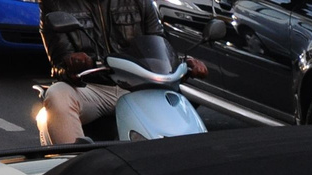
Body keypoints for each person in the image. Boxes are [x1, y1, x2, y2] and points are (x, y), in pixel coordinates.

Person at [37, 0, 207, 145]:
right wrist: (74, 65)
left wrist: (186, 62)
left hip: (138, 84)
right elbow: (59, 63)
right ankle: (76, 168)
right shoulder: (56, 3)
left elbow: (159, 42)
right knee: (57, 95)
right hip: (92, 87)